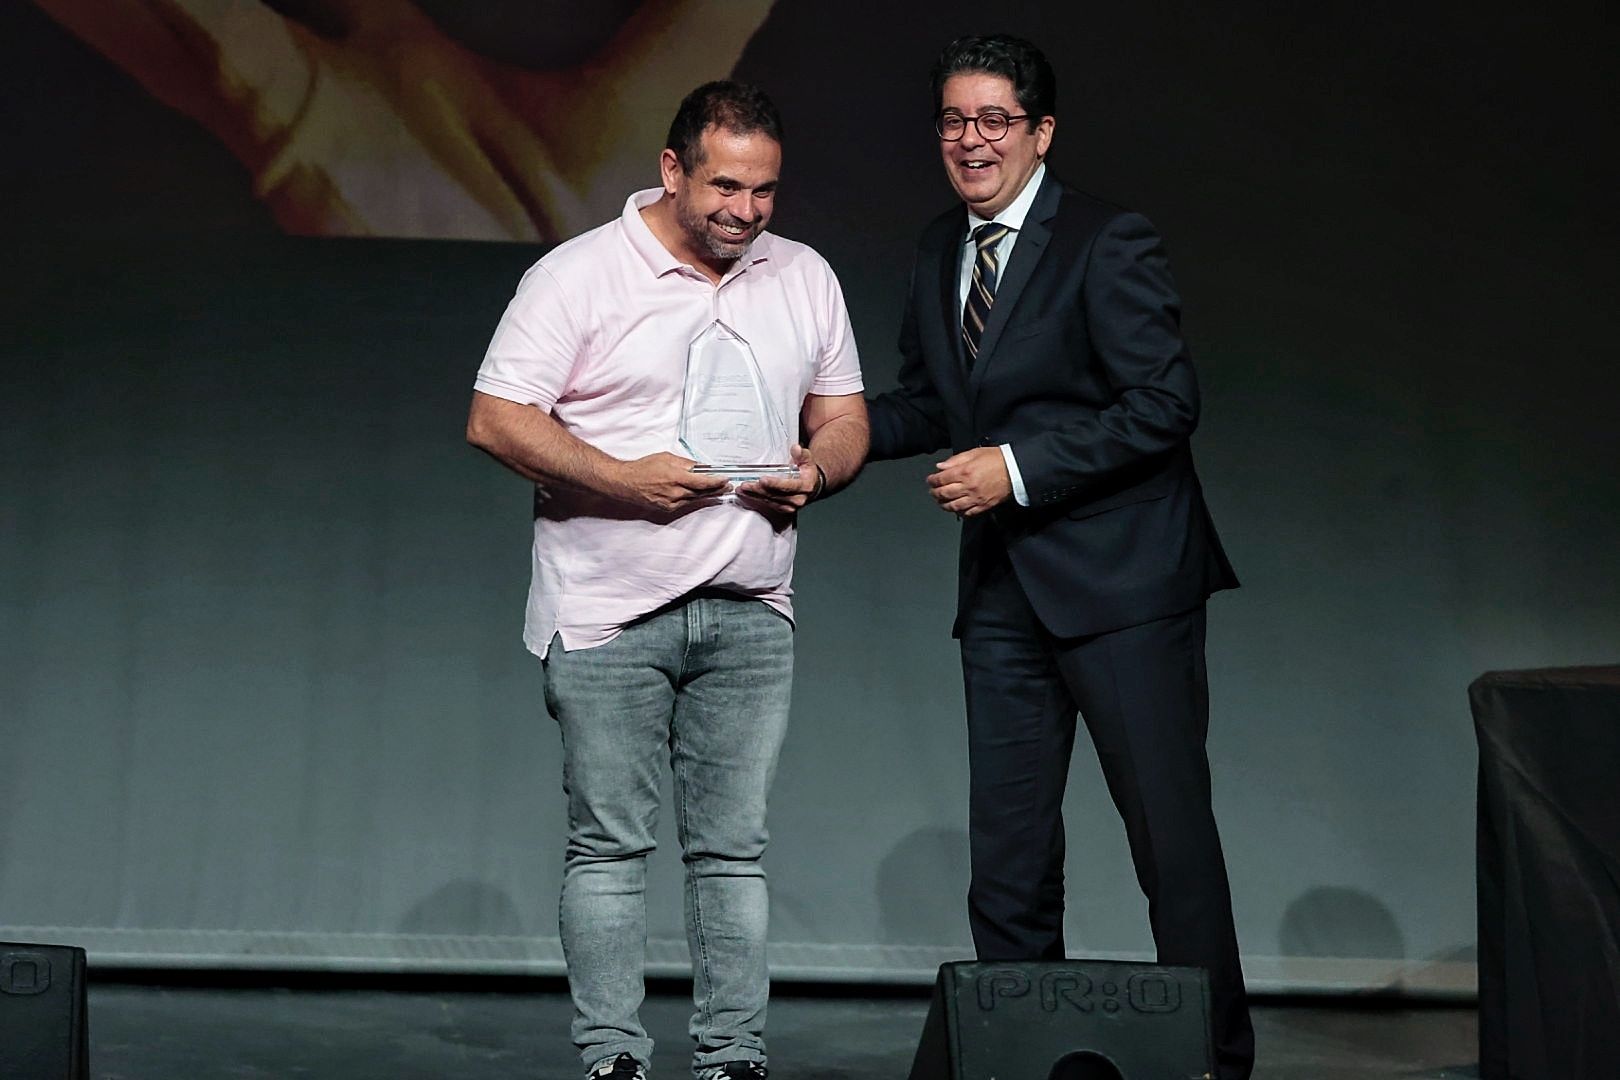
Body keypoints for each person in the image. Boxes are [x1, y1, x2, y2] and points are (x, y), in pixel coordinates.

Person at [864, 35, 1254, 1079]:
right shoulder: (941, 247)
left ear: (1040, 132)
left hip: (1125, 585)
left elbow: (1167, 403)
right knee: (1009, 853)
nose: (971, 140)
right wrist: (829, 439)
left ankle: (1216, 1060)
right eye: (954, 119)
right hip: (1002, 592)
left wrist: (1018, 469)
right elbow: (921, 401)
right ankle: (1019, 1054)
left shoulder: (1105, 241)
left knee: (1167, 843)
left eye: (994, 120)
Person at [465, 81, 867, 1080]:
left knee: (734, 852)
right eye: (725, 186)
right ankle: (614, 1058)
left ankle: (733, 1058)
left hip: (750, 609)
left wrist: (818, 468)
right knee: (609, 849)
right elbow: (496, 418)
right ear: (672, 170)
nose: (745, 210)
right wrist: (621, 480)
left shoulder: (803, 275)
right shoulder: (582, 275)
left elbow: (847, 415)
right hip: (607, 614)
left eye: (765, 191)